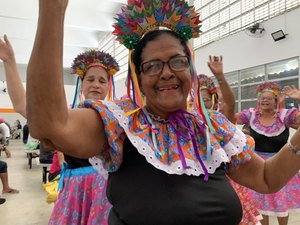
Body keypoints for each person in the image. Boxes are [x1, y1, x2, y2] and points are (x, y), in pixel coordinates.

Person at [27, 0, 300, 224]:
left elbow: (266, 178)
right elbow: (49, 124)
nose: (167, 72)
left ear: (190, 71)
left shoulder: (213, 127)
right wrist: (53, 9)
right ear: (139, 78)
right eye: (153, 65)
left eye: (177, 62)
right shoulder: (120, 123)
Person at [0, 35, 118, 223]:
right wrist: (9, 61)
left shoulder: (117, 118)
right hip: (74, 191)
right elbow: (23, 105)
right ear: (82, 84)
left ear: (108, 87)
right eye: (91, 79)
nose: (96, 84)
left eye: (102, 81)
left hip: (104, 193)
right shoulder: (66, 117)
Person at [195, 73, 262, 225]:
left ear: (213, 100)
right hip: (201, 184)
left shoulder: (220, 120)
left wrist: (220, 77)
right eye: (196, 99)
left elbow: (230, 103)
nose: (200, 103)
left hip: (225, 180)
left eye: (205, 99)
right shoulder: (187, 122)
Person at [236, 82, 300, 225]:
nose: (265, 100)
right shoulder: (251, 116)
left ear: (276, 101)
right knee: (261, 205)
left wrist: (299, 98)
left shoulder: (284, 116)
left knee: (281, 205)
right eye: (262, 98)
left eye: (269, 98)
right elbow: (228, 118)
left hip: (281, 165)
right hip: (258, 167)